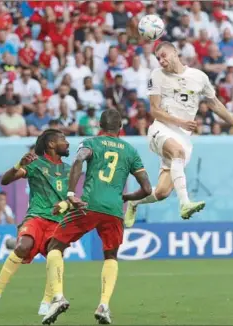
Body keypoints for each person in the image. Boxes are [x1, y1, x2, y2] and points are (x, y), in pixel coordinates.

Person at [124, 42, 233, 227]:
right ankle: (185, 203)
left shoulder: (198, 77)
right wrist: (181, 122)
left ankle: (134, 202)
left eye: (163, 55)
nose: (161, 60)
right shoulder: (157, 75)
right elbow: (154, 110)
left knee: (161, 192)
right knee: (177, 152)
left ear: (175, 53)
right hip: (161, 129)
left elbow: (215, 104)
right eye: (158, 58)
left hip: (183, 137)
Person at [42, 109, 152, 325]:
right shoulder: (130, 150)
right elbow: (147, 189)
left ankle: (58, 297)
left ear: (99, 126)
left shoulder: (91, 142)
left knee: (55, 246)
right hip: (113, 210)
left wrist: (71, 194)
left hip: (88, 205)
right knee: (111, 256)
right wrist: (125, 197)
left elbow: (79, 161)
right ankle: (103, 305)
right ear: (120, 128)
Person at [0, 129, 71, 317]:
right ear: (51, 144)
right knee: (22, 246)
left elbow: (74, 199)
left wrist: (66, 205)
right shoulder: (35, 165)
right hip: (36, 217)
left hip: (58, 221)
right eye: (63, 139)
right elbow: (6, 181)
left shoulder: (69, 169)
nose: (67, 142)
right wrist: (17, 165)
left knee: (54, 256)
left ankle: (47, 301)